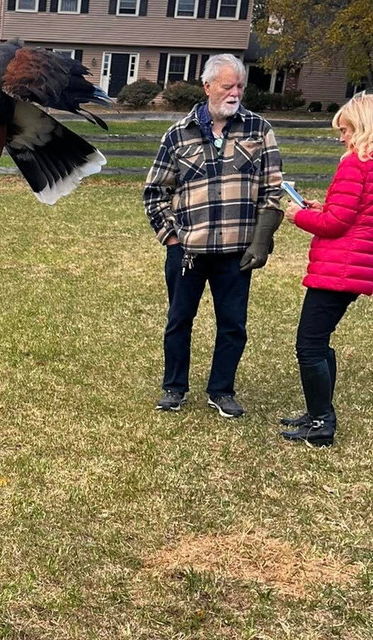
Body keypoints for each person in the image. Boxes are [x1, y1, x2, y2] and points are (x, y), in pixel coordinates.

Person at [144, 53, 284, 418]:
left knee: (234, 325)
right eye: (227, 86)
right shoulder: (178, 134)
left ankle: (221, 390)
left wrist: (261, 240)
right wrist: (171, 237)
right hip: (188, 250)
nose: (235, 92)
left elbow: (273, 190)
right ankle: (174, 388)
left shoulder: (258, 130)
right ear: (207, 87)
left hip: (238, 253)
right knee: (179, 321)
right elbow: (155, 191)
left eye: (239, 86)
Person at [279, 92, 373, 447]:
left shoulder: (355, 163)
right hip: (355, 268)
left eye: (346, 130)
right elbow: (353, 213)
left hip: (341, 269)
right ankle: (318, 411)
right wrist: (323, 206)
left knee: (310, 345)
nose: (342, 137)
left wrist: (299, 215)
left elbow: (336, 224)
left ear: (361, 128)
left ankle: (321, 422)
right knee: (320, 342)